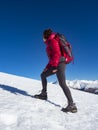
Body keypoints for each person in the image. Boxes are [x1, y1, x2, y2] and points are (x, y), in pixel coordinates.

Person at [34, 29, 77, 113]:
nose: (42, 38)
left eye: (42, 36)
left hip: (59, 64)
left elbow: (57, 54)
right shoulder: (50, 42)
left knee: (62, 83)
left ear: (45, 36)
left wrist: (54, 67)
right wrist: (47, 67)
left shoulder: (52, 41)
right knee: (43, 75)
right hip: (58, 63)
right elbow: (52, 58)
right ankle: (43, 94)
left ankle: (71, 104)